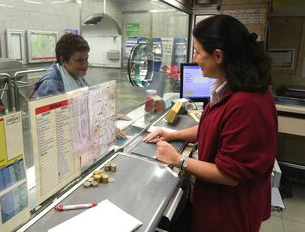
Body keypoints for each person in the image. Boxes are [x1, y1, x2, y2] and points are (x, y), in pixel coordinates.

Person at [144, 15, 277, 232]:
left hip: (230, 212)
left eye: (197, 51)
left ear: (218, 56)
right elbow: (212, 128)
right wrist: (172, 135)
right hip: (215, 204)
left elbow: (231, 175)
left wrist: (177, 159)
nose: (194, 58)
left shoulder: (246, 103)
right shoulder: (228, 87)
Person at [33, 33, 130, 138]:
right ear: (63, 61)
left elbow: (88, 107)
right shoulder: (51, 85)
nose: (85, 65)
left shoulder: (78, 77)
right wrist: (101, 126)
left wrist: (106, 116)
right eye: (79, 60)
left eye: (86, 59)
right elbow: (58, 126)